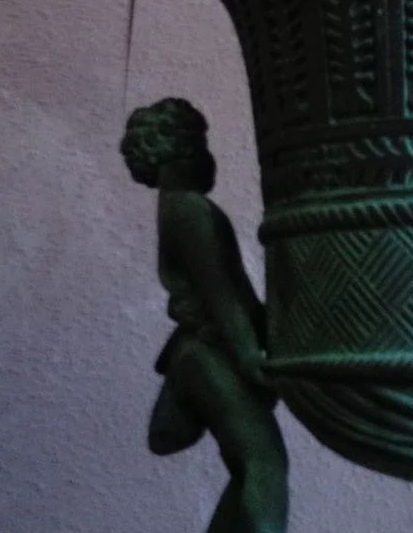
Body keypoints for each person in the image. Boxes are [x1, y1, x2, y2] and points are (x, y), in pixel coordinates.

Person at [120, 98, 288, 533]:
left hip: (207, 350)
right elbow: (221, 297)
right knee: (263, 465)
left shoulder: (178, 207)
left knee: (251, 464)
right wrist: (251, 356)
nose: (209, 158)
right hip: (208, 350)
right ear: (180, 153)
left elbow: (235, 295)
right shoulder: (188, 209)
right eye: (200, 146)